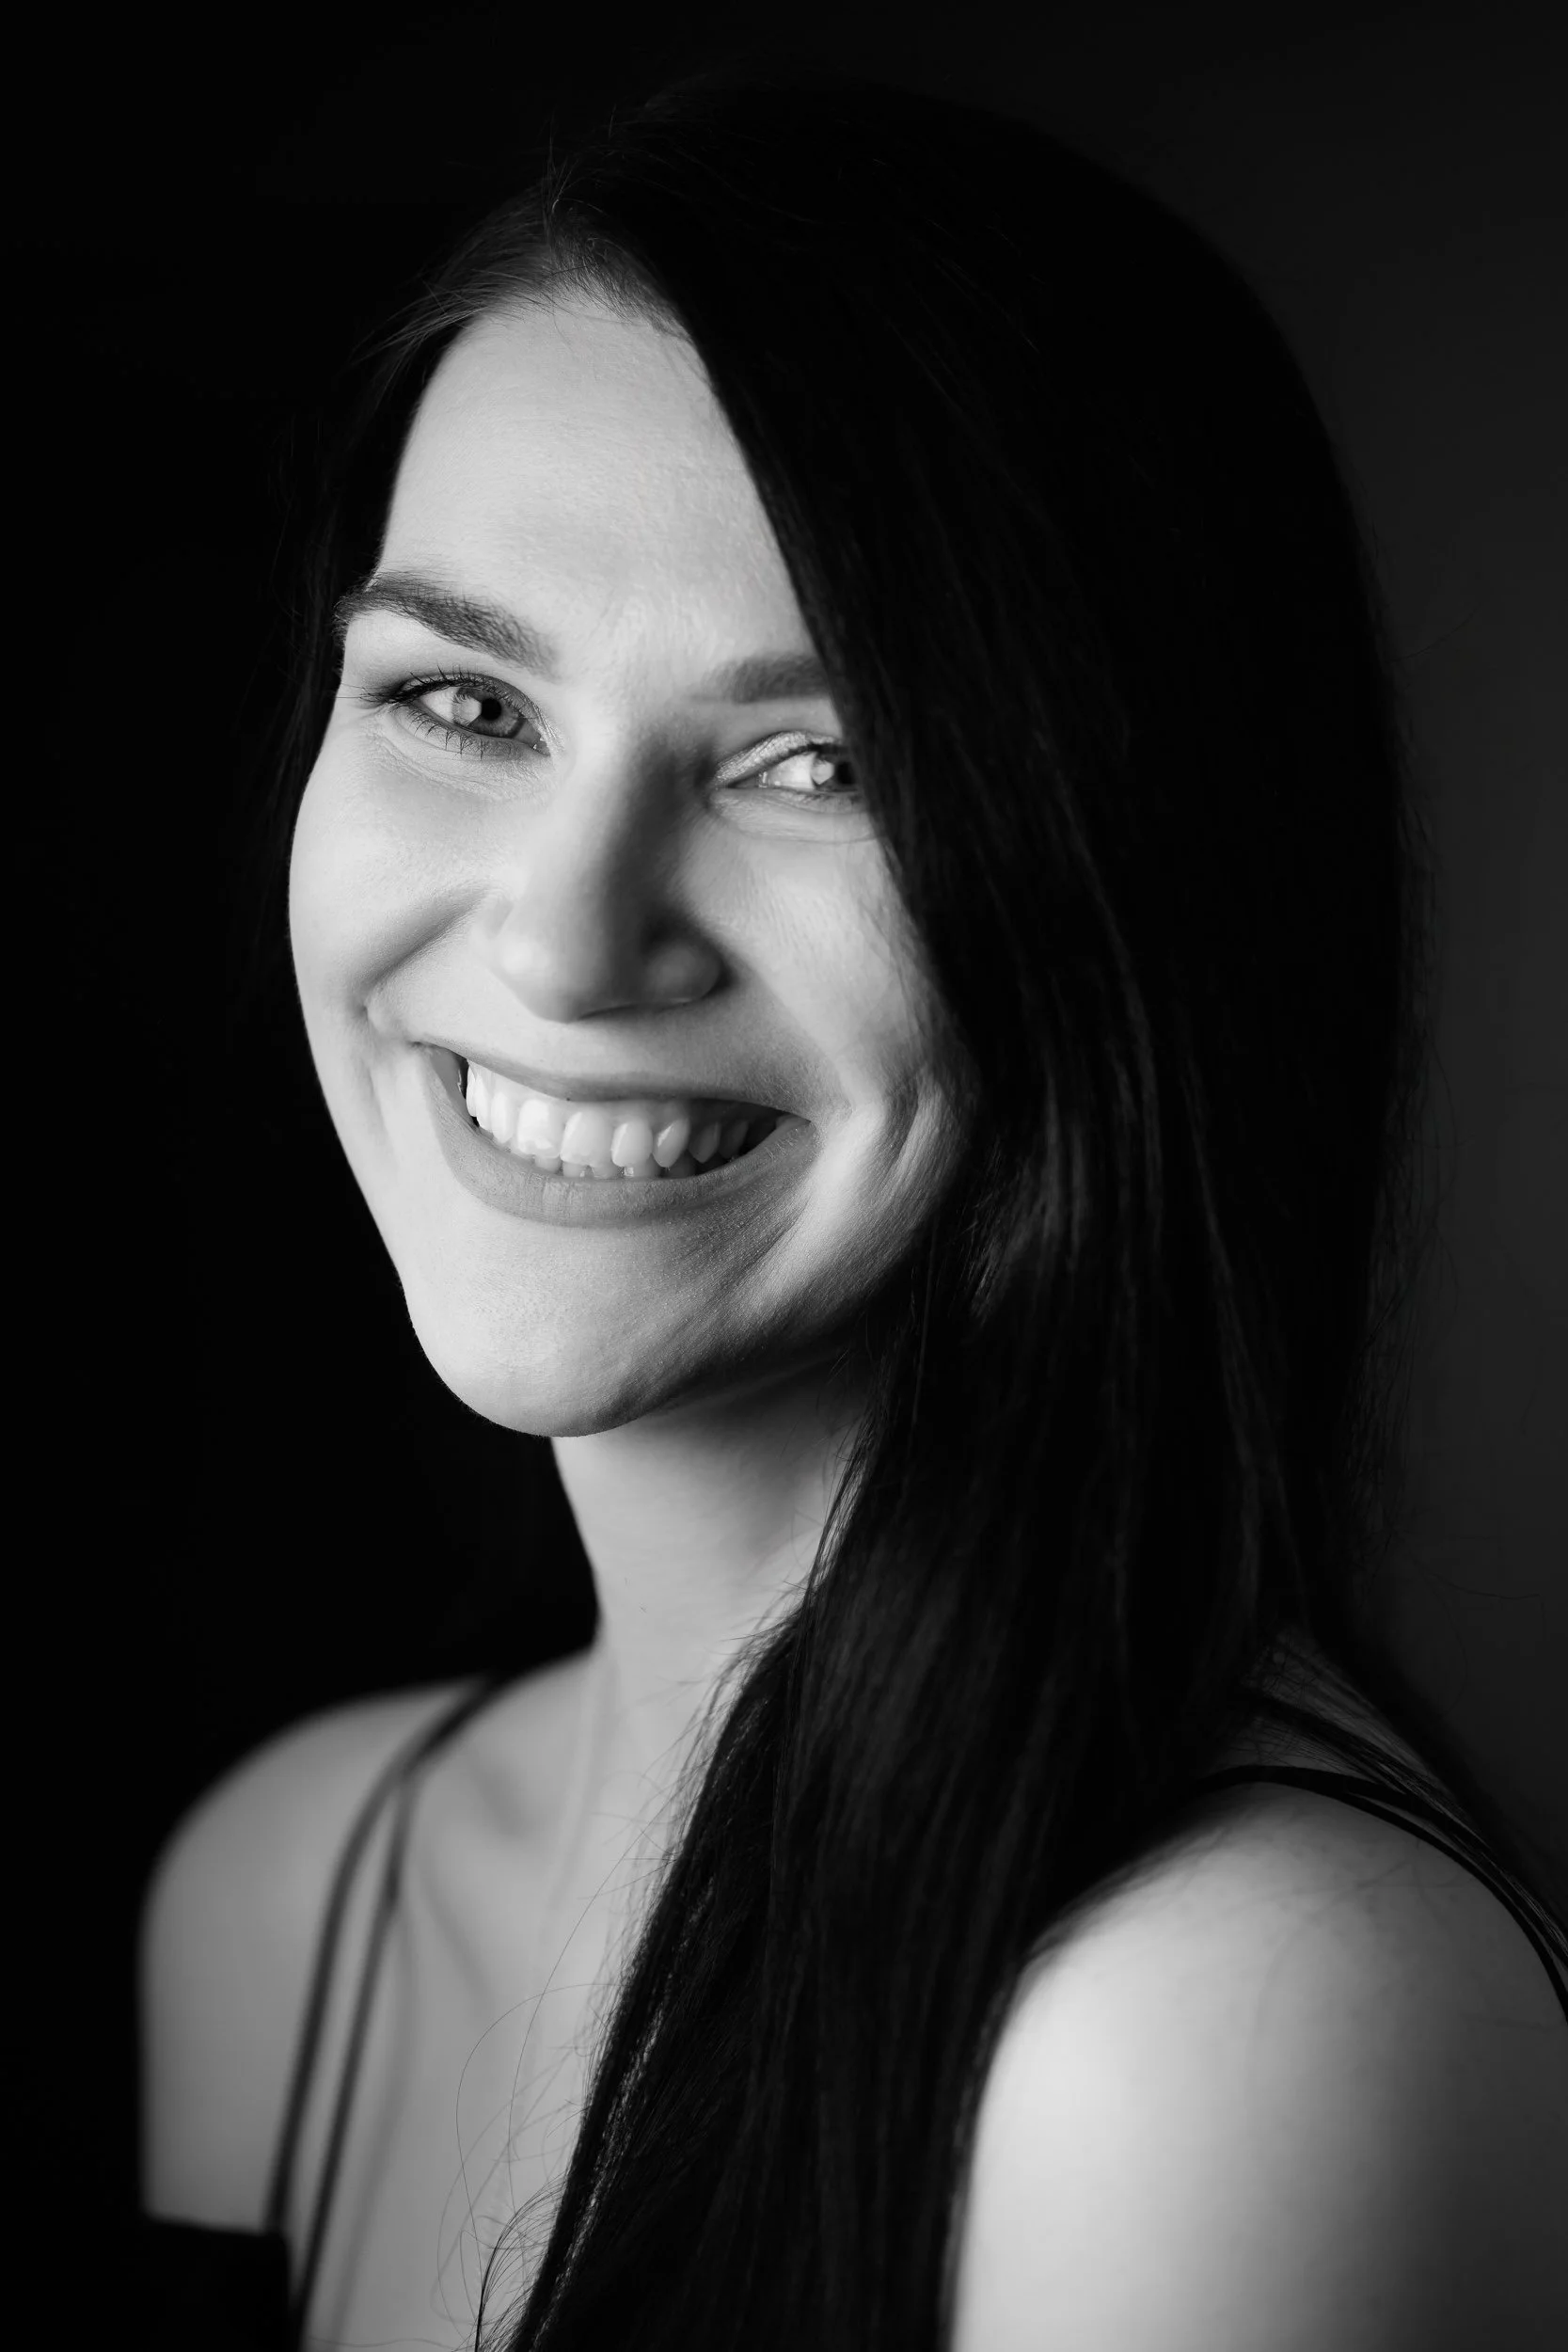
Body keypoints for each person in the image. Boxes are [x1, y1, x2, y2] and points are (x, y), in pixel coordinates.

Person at [139, 49, 1568, 2352]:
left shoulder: (1228, 2039)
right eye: (462, 706)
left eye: (822, 762)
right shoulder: (285, 1893)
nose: (566, 939)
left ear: (1130, 902)